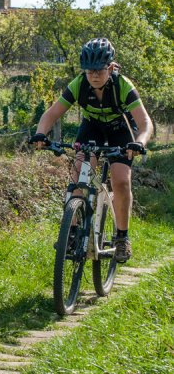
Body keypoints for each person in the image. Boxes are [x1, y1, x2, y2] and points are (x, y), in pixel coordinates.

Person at [33, 37, 153, 263]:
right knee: (79, 173)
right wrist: (41, 134)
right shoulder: (79, 84)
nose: (94, 75)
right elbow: (51, 115)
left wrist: (140, 142)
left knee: (120, 181)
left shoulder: (123, 85)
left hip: (120, 131)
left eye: (99, 70)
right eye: (89, 71)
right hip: (93, 129)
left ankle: (121, 237)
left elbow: (145, 122)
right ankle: (72, 231)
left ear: (109, 67)